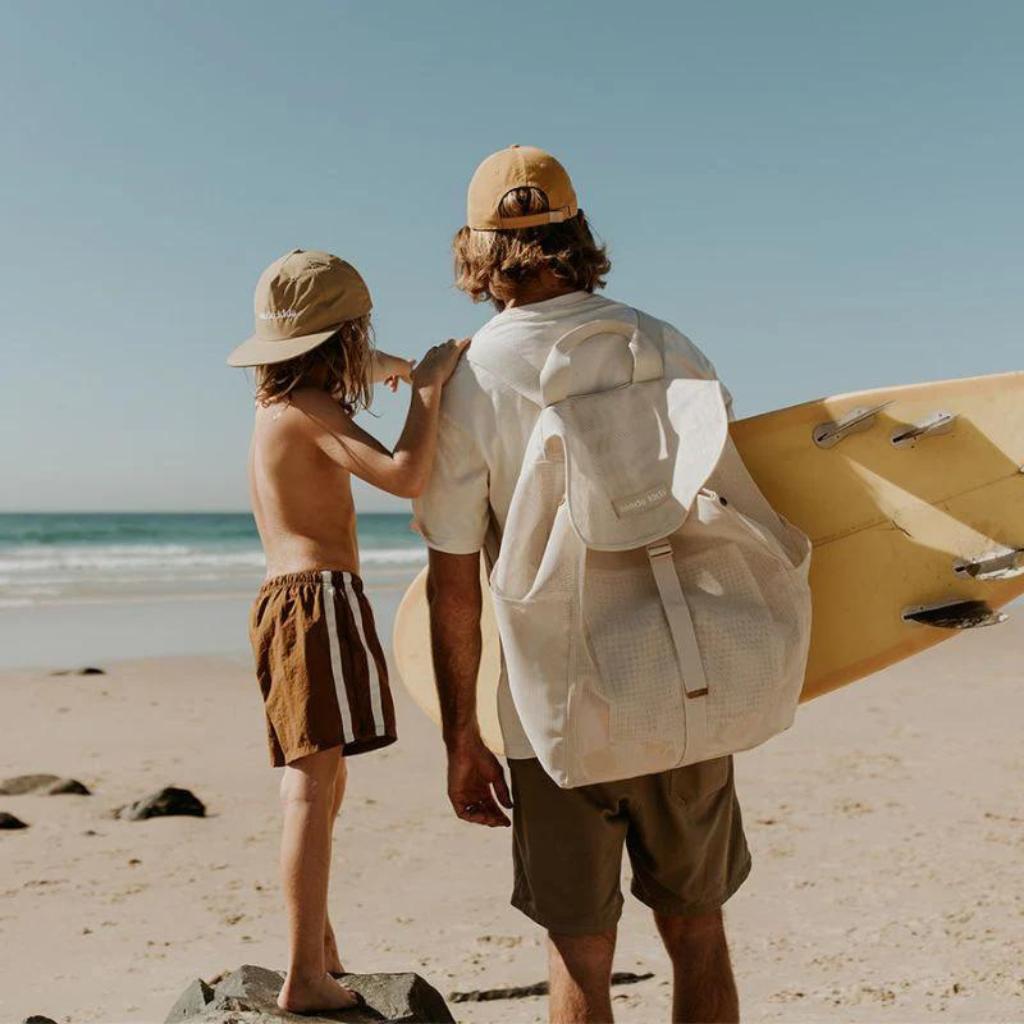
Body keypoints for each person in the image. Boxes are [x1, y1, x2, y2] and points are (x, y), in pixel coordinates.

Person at [414, 148, 751, 1024]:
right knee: (699, 929)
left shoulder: (467, 380)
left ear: (477, 250)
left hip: (555, 708)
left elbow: (454, 584)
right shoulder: (665, 343)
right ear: (576, 235)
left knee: (580, 952)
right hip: (684, 679)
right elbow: (732, 512)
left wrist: (463, 737)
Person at [227, 248, 467, 1014]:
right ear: (342, 342)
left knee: (324, 785)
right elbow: (405, 476)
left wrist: (387, 365)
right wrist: (425, 393)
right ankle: (304, 974)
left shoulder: (277, 405)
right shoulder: (317, 413)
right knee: (311, 788)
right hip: (318, 600)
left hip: (284, 600)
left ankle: (319, 948)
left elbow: (343, 380)